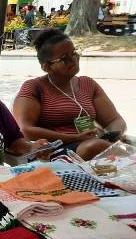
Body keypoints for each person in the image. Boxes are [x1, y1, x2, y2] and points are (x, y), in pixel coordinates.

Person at [13, 29, 126, 160]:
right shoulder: (34, 87)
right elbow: (25, 129)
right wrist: (74, 138)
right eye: (65, 58)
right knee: (94, 147)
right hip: (56, 150)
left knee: (100, 146)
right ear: (47, 67)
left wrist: (113, 135)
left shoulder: (88, 84)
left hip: (96, 145)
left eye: (74, 53)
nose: (74, 59)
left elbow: (114, 120)